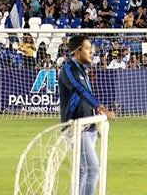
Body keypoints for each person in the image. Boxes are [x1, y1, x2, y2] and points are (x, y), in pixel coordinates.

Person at [58, 35, 116, 195]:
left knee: (83, 171)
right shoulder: (69, 69)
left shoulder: (83, 70)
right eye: (88, 48)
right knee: (93, 170)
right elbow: (79, 90)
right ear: (77, 52)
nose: (92, 52)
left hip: (89, 128)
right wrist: (100, 108)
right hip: (76, 128)